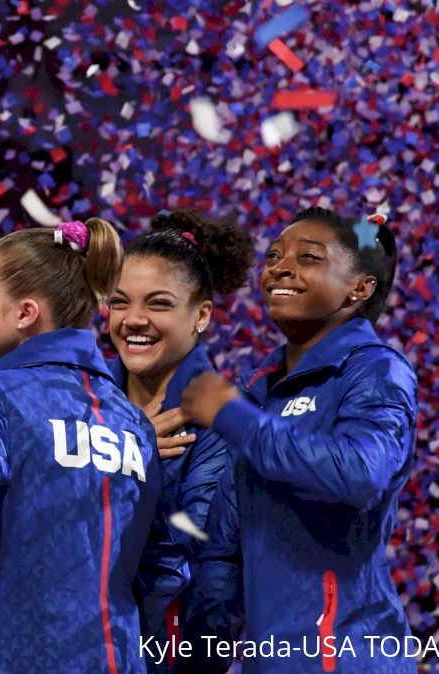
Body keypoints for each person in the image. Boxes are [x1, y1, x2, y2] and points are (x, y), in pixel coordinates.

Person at [181, 207, 416, 674]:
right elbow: (227, 551)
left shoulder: (374, 370)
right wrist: (195, 657)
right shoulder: (256, 390)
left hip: (349, 655)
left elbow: (360, 474)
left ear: (359, 287)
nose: (279, 268)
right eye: (274, 256)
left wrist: (234, 417)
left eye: (308, 257)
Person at [0, 219, 163, 673]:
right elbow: (164, 562)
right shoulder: (134, 421)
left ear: (25, 313)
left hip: (21, 655)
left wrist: (9, 553)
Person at [104, 212, 252, 673]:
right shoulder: (83, 399)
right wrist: (125, 442)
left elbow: (204, 554)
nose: (134, 320)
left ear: (201, 315)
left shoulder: (224, 419)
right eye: (119, 302)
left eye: (159, 304)